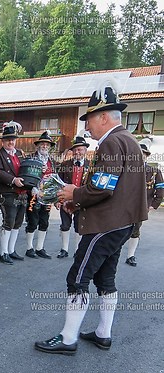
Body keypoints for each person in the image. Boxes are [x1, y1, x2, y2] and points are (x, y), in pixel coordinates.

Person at [35, 82, 148, 355]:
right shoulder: (129, 141)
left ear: (104, 117)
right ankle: (103, 334)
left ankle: (68, 338)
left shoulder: (111, 142)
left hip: (105, 225)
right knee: (106, 279)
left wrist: (74, 193)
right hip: (121, 224)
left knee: (78, 277)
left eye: (89, 120)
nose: (87, 128)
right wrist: (80, 202)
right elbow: (114, 189)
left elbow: (102, 187)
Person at [0, 121, 27, 265]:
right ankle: (3, 252)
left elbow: (25, 169)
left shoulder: (20, 154)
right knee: (9, 221)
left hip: (22, 193)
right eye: (7, 139)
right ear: (3, 141)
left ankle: (11, 250)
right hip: (7, 193)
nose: (10, 142)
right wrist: (13, 180)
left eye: (12, 139)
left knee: (18, 222)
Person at [124, 142, 164, 266]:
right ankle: (113, 253)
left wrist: (154, 205)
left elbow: (160, 189)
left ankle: (130, 255)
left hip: (141, 206)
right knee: (118, 229)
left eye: (143, 154)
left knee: (135, 230)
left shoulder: (154, 171)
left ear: (146, 156)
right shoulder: (126, 170)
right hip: (124, 205)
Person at [55, 136, 90, 258]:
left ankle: (77, 250)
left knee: (79, 226)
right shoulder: (65, 165)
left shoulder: (90, 166)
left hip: (82, 201)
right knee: (65, 225)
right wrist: (58, 200)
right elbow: (58, 183)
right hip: (66, 200)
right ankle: (64, 249)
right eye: (75, 150)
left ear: (85, 150)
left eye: (80, 149)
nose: (77, 152)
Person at [24, 131, 56, 259]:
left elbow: (54, 177)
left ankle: (39, 248)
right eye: (42, 144)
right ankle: (29, 248)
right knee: (32, 221)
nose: (44, 146)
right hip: (33, 195)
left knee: (44, 222)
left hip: (47, 196)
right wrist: (32, 187)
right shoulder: (31, 158)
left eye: (47, 145)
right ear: (38, 146)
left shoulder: (52, 162)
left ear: (49, 147)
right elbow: (25, 175)